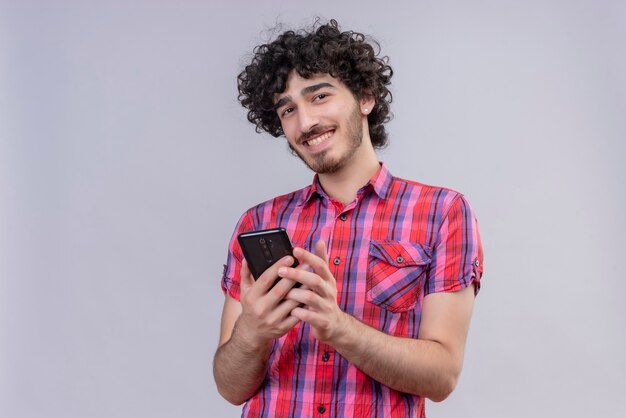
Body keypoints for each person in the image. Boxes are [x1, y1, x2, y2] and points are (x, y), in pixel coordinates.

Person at [213, 19, 483, 418]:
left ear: (365, 97)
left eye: (319, 96)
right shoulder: (258, 222)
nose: (305, 122)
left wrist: (337, 327)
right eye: (288, 109)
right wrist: (254, 330)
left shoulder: (442, 213)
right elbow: (230, 388)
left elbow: (442, 376)